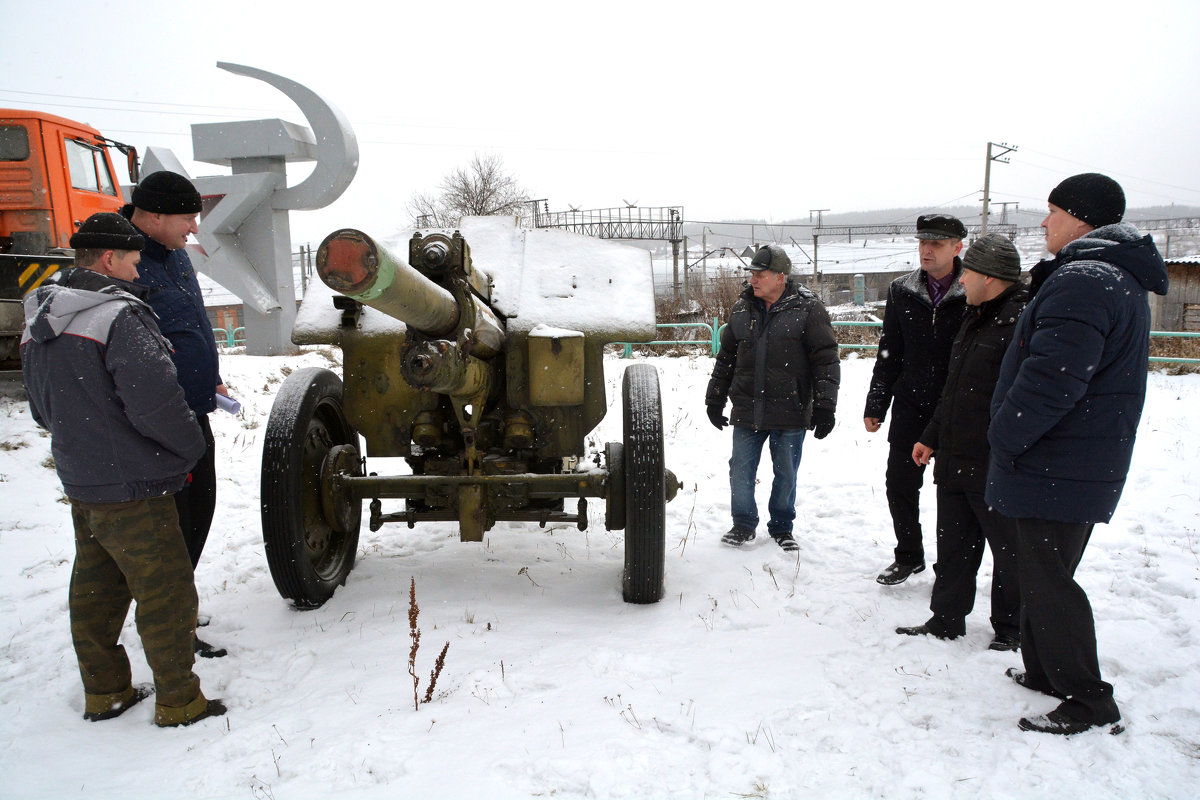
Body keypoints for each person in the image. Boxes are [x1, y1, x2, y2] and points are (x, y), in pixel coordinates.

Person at [20, 212, 227, 727]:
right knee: (166, 594)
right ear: (110, 259)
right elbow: (155, 402)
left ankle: (105, 691)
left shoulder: (40, 317)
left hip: (84, 479)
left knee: (96, 591)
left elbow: (42, 410)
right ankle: (181, 701)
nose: (139, 273)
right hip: (137, 482)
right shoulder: (118, 316)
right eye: (134, 262)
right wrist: (188, 450)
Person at [987, 173, 1168, 735]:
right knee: (1045, 572)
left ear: (1081, 218)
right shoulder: (1106, 276)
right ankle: (1045, 672)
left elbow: (1053, 380)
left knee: (1050, 582)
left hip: (1056, 463)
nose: (1044, 222)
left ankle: (1088, 700)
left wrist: (1005, 435)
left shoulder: (1086, 280)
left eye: (1052, 211)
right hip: (1073, 462)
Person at [896, 233, 1026, 650]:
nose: (962, 280)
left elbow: (1022, 397)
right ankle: (947, 618)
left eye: (968, 272)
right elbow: (955, 387)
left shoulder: (1023, 321)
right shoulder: (975, 316)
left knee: (1009, 551)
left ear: (989, 277)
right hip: (955, 453)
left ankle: (1010, 628)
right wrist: (931, 436)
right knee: (953, 544)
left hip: (996, 459)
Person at [122, 171, 227, 659]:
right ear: (155, 215)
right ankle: (169, 622)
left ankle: (177, 605)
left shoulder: (175, 258)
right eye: (188, 219)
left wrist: (212, 375)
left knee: (199, 508)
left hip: (193, 407)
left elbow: (193, 321)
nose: (193, 230)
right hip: (157, 418)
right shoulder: (122, 261)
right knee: (171, 523)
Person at [705, 244, 840, 552]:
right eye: (752, 274)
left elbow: (826, 359)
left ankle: (781, 527)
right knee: (740, 468)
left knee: (786, 472)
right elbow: (726, 358)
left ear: (781, 277)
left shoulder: (808, 309)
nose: (754, 280)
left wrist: (825, 405)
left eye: (761, 275)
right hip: (747, 407)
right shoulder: (741, 309)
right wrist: (714, 399)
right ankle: (742, 524)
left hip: (790, 409)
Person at [864, 214, 968, 585]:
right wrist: (877, 404)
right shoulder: (901, 289)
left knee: (952, 493)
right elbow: (890, 349)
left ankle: (951, 569)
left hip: (959, 405)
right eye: (923, 242)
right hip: (912, 404)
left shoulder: (973, 289)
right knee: (901, 483)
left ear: (957, 248)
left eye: (936, 244)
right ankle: (909, 555)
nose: (927, 249)